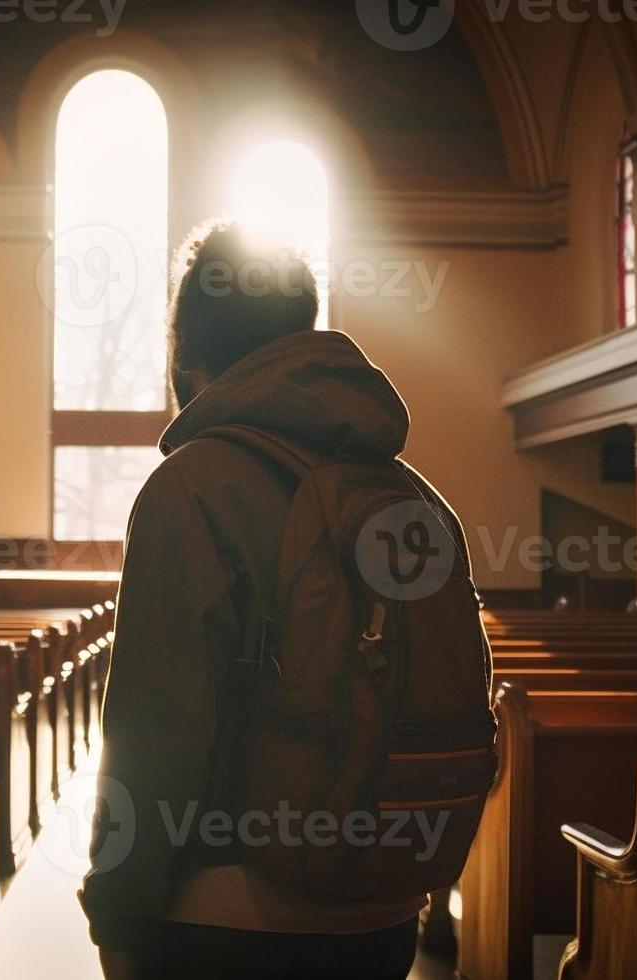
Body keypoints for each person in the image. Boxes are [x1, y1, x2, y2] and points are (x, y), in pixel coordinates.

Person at [80, 221, 465, 980]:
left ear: (189, 356)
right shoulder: (409, 495)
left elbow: (155, 732)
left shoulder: (189, 486)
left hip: (225, 918)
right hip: (383, 913)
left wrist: (117, 915)